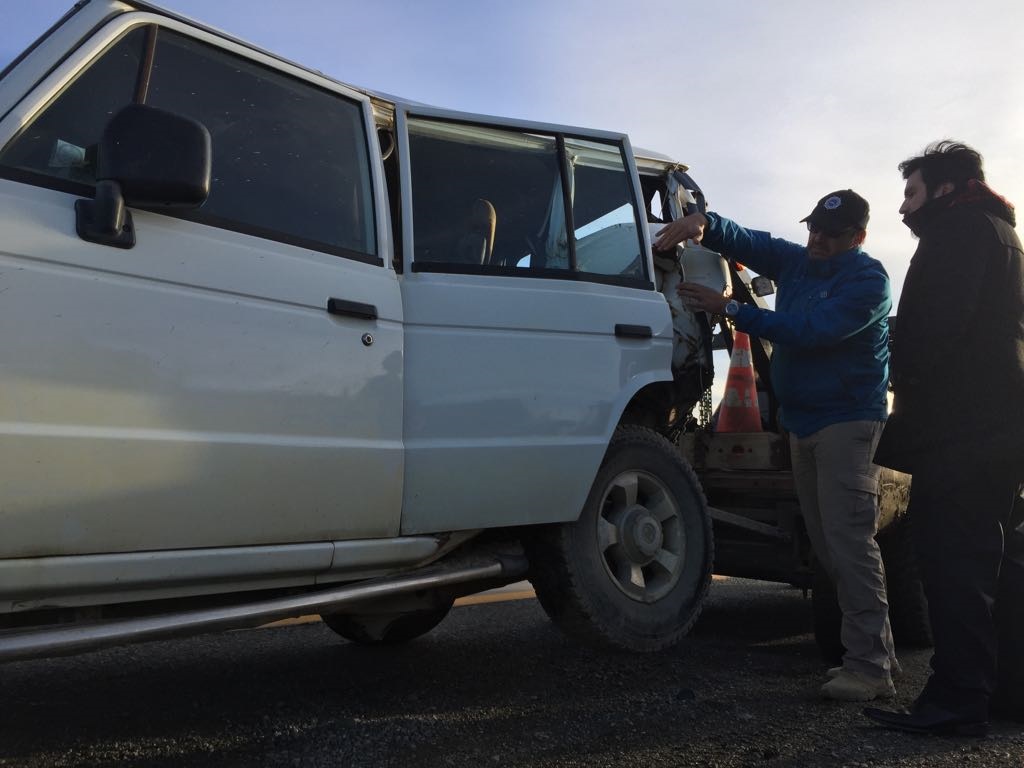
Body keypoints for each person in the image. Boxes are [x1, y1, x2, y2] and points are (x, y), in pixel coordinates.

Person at [654, 190, 897, 702]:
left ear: (859, 238)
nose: (817, 239)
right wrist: (705, 223)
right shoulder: (799, 260)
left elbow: (813, 331)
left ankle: (872, 669)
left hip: (847, 422)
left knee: (850, 543)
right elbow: (754, 242)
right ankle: (872, 656)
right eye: (813, 228)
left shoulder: (869, 281)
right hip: (803, 422)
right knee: (831, 546)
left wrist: (733, 310)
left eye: (831, 234)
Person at [864, 141, 1024, 736]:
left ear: (947, 189)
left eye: (912, 192)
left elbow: (935, 332)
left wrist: (895, 367)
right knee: (989, 567)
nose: (904, 210)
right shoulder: (1003, 235)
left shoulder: (956, 233)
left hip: (960, 434)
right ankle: (998, 693)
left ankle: (956, 701)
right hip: (999, 430)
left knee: (952, 568)